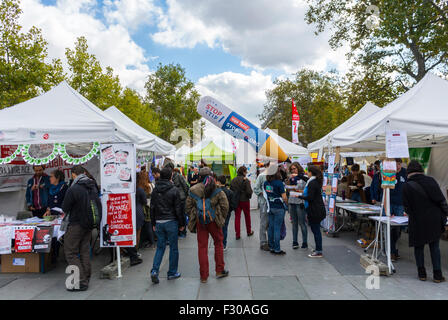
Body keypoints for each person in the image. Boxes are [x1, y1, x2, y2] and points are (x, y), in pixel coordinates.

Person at [402, 160, 448, 283]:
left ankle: (421, 274)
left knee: (418, 247)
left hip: (417, 220)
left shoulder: (406, 186)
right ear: (421, 170)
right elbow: (441, 201)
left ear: (409, 172)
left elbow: (406, 207)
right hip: (433, 220)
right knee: (434, 247)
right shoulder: (431, 181)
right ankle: (438, 275)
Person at [186, 167, 230, 283]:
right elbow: (225, 206)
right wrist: (221, 218)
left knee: (202, 247)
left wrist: (194, 216)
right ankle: (220, 270)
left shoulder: (193, 189)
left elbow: (188, 207)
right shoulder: (217, 188)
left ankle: (204, 276)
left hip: (201, 221)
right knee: (219, 243)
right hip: (214, 220)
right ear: (210, 176)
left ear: (199, 176)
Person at [62, 166, 101, 291]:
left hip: (76, 224)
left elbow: (65, 207)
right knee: (84, 250)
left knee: (70, 252)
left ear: (73, 175)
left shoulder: (74, 188)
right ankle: (86, 277)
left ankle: (80, 281)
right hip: (89, 223)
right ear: (84, 173)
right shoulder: (92, 186)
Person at [150, 167, 185, 284]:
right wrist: (181, 224)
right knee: (173, 248)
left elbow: (152, 207)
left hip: (159, 222)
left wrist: (153, 223)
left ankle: (154, 271)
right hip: (171, 222)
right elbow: (178, 209)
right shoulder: (174, 190)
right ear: (171, 177)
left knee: (160, 247)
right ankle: (172, 272)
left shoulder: (155, 190)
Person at [299, 165, 326, 258]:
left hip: (315, 210)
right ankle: (318, 248)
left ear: (311, 172)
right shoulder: (314, 181)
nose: (307, 173)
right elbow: (306, 179)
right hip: (317, 209)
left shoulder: (312, 183)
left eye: (308, 171)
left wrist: (298, 196)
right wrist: (298, 175)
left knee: (316, 231)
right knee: (316, 230)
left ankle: (319, 251)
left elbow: (310, 197)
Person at [44, 169, 68, 264]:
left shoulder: (65, 188)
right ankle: (52, 254)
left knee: (59, 233)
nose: (50, 178)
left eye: (51, 176)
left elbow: (66, 203)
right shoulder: (50, 188)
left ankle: (57, 254)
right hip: (52, 217)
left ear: (57, 178)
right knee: (49, 232)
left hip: (63, 217)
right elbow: (49, 203)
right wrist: (48, 210)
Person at [263, 167, 288, 255]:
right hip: (279, 207)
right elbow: (284, 197)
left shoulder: (266, 183)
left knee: (271, 228)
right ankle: (277, 249)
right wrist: (287, 203)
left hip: (270, 207)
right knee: (277, 228)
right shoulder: (279, 183)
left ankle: (272, 247)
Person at [287, 162, 309, 249]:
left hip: (300, 202)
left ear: (298, 168)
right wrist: (289, 185)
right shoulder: (291, 178)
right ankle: (295, 241)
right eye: (291, 169)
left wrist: (295, 189)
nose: (293, 170)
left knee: (302, 223)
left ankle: (305, 242)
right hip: (292, 201)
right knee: (294, 223)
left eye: (294, 168)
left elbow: (304, 190)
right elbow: (288, 189)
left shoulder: (303, 177)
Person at [230, 166, 254, 240]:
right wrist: (249, 196)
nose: (246, 173)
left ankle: (237, 234)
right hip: (245, 200)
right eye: (246, 171)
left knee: (237, 217)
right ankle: (249, 231)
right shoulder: (246, 180)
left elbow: (231, 190)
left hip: (236, 200)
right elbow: (249, 191)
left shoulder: (233, 180)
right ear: (243, 172)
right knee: (247, 216)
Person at [167, 163, 190, 238]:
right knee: (176, 215)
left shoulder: (178, 176)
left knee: (182, 215)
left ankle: (183, 232)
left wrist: (186, 196)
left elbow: (186, 186)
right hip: (173, 199)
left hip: (181, 199)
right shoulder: (168, 178)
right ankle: (178, 231)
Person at [253, 162, 270, 251]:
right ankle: (263, 242)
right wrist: (263, 193)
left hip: (273, 203)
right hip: (264, 203)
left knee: (271, 223)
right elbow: (256, 188)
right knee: (264, 223)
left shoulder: (275, 176)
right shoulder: (262, 176)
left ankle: (270, 241)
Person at [216, 175, 235, 251]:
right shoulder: (230, 192)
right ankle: (224, 244)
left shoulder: (216, 192)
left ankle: (218, 244)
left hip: (218, 213)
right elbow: (233, 204)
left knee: (217, 228)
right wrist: (229, 210)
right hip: (227, 213)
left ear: (219, 182)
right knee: (225, 228)